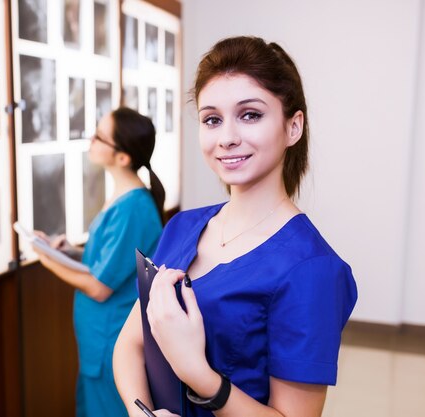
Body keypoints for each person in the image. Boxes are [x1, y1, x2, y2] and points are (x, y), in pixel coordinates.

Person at [113, 36, 358, 417]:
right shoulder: (182, 227)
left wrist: (198, 373)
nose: (227, 138)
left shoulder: (312, 270)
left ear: (293, 128)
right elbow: (130, 343)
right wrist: (139, 410)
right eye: (212, 119)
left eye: (250, 115)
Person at [33, 107, 165, 417]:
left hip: (112, 341)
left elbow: (99, 286)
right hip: (100, 340)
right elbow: (109, 262)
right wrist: (70, 253)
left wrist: (45, 259)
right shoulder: (124, 200)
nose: (90, 140)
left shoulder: (132, 207)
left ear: (122, 157)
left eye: (99, 136)